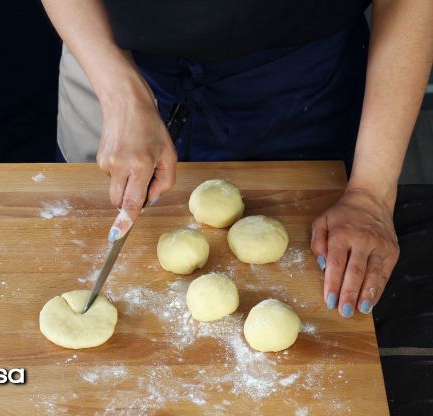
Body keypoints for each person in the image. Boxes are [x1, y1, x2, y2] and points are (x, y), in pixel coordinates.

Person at [41, 0, 433, 318]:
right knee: (77, 243)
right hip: (104, 53)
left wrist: (370, 194)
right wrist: (119, 93)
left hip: (296, 87)